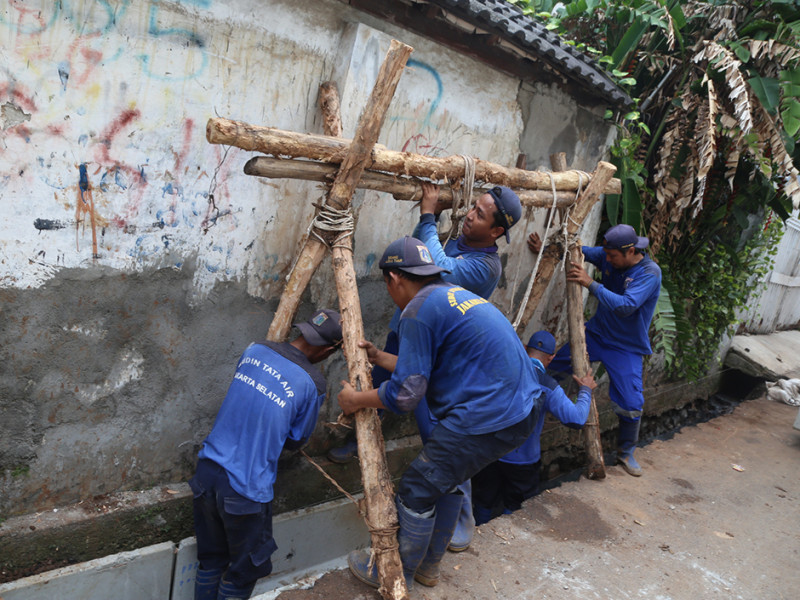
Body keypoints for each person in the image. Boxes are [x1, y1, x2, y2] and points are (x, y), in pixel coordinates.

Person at [338, 236, 544, 591]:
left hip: (488, 415)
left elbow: (405, 395)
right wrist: (380, 357)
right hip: (520, 410)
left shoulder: (417, 311)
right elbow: (427, 369)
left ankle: (395, 574)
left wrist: (355, 400)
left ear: (394, 279)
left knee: (417, 488)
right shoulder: (452, 296)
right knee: (444, 481)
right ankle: (428, 567)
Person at [328, 181, 522, 552]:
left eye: (480, 214)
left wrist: (429, 215)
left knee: (438, 445)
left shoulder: (484, 267)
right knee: (381, 380)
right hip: (417, 337)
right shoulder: (456, 249)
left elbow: (439, 269)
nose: (470, 215)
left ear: (497, 231)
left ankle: (452, 525)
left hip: (450, 364)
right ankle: (359, 439)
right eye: (472, 207)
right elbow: (423, 256)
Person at [189, 309, 343, 600]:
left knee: (211, 560)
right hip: (245, 489)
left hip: (206, 472)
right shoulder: (313, 383)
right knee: (243, 572)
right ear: (327, 351)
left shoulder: (254, 349)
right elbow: (295, 441)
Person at [529, 223, 661, 477]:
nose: (606, 260)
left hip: (626, 347)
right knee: (552, 368)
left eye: (612, 256)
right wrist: (545, 248)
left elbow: (626, 306)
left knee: (631, 403)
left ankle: (626, 451)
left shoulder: (649, 273)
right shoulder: (609, 255)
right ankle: (533, 411)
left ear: (631, 251)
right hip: (596, 335)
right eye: (606, 254)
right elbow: (577, 251)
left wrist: (590, 283)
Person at [471, 331, 596, 523]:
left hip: (489, 454)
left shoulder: (501, 370)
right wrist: (585, 390)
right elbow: (577, 419)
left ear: (524, 348)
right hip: (522, 462)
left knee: (483, 501)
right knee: (517, 508)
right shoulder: (547, 385)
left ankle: (479, 530)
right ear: (551, 357)